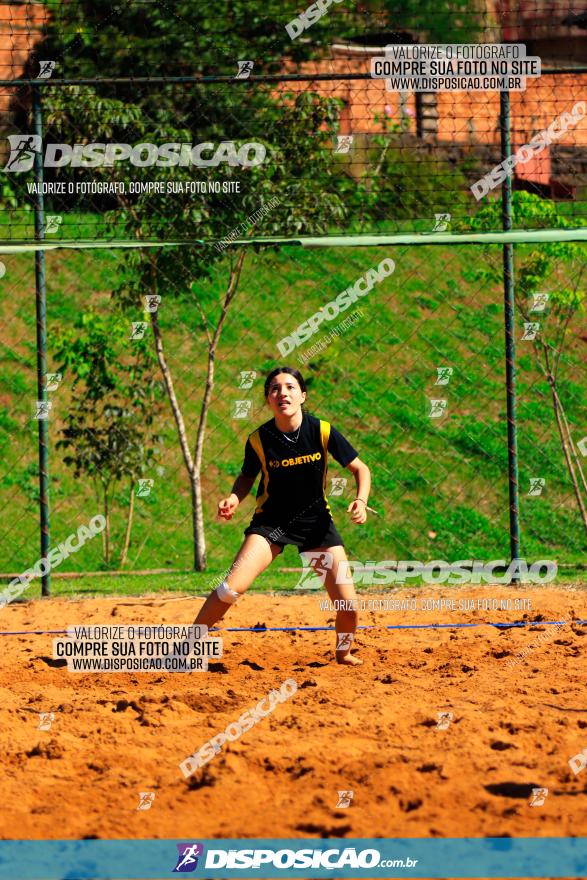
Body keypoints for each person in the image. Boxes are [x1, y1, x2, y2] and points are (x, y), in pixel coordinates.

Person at [194, 367, 371, 665]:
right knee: (229, 589)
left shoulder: (322, 430)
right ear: (268, 400)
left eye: (290, 387)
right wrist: (234, 498)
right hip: (271, 524)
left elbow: (360, 468)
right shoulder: (259, 439)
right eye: (274, 389)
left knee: (348, 605)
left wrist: (361, 500)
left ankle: (343, 653)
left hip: (316, 524)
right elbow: (246, 477)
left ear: (302, 395)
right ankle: (187, 645)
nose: (282, 393)